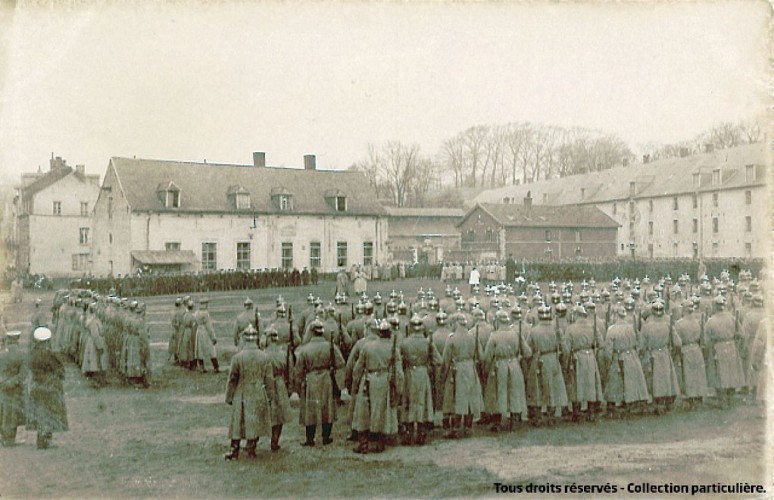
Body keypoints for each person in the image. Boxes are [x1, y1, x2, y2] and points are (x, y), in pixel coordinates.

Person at [351, 319, 404, 453]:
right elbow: (399, 372)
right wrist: (399, 389)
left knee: (364, 412)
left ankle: (364, 444)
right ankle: (378, 443)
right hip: (384, 381)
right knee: (381, 412)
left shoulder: (368, 346)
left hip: (368, 380)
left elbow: (358, 368)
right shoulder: (394, 349)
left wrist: (355, 383)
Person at [224, 324, 276, 461]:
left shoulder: (238, 357)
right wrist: (270, 396)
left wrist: (229, 396)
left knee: (238, 421)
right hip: (259, 390)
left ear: (245, 339)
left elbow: (232, 378)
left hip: (242, 391)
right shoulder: (264, 357)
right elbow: (269, 379)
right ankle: (251, 448)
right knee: (255, 420)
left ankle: (234, 450)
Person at [293, 319, 345, 447]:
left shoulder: (305, 349)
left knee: (310, 409)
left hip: (311, 379)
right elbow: (340, 363)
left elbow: (298, 370)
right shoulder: (330, 346)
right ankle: (326, 437)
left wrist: (298, 386)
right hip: (326, 378)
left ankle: (310, 439)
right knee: (327, 407)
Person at [483, 309, 530, 431]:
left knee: (497, 392)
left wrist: (486, 369)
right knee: (515, 392)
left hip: (499, 365)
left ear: (498, 321)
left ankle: (497, 422)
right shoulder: (516, 333)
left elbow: (487, 356)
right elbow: (528, 352)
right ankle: (515, 420)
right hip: (514, 364)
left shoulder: (494, 335)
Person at [398, 314, 440, 446]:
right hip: (422, 373)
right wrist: (428, 365)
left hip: (409, 373)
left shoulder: (404, 342)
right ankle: (421, 433)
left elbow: (399, 359)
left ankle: (409, 434)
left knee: (409, 401)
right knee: (423, 402)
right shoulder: (427, 342)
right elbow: (438, 360)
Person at [440, 312, 483, 438]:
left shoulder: (452, 338)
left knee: (457, 397)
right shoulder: (472, 336)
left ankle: (457, 426)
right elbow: (480, 354)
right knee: (470, 396)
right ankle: (468, 427)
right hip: (470, 367)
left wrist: (444, 374)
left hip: (457, 369)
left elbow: (446, 359)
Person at [601, 306, 649, 417]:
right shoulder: (631, 327)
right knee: (631, 381)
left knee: (615, 381)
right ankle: (632, 403)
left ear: (616, 315)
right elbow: (639, 341)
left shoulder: (611, 329)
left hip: (618, 357)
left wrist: (607, 360)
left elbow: (608, 349)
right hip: (631, 355)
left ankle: (614, 406)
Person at [27, 327, 68, 449]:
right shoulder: (48, 354)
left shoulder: (32, 353)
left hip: (36, 385)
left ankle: (41, 439)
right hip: (49, 387)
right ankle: (45, 440)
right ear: (46, 341)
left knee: (40, 413)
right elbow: (59, 370)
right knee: (49, 413)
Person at [561, 303, 604, 422]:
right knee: (591, 383)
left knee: (576, 383)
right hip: (590, 356)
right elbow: (601, 343)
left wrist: (566, 360)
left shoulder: (571, 328)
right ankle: (591, 412)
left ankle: (577, 412)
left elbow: (566, 349)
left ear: (577, 315)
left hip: (577, 357)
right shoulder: (592, 326)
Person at [638, 300, 681, 414]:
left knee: (655, 379)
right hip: (664, 353)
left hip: (652, 354)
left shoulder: (647, 327)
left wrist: (642, 353)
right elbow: (678, 342)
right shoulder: (668, 325)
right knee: (665, 378)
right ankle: (665, 402)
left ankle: (658, 402)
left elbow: (641, 345)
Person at [703, 295, 745, 408]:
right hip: (731, 346)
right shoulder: (731, 318)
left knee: (721, 373)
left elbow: (706, 339)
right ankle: (729, 397)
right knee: (731, 371)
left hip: (719, 348)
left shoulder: (711, 321)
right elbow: (742, 333)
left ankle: (724, 399)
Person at [673, 299, 708, 409]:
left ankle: (691, 397)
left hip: (686, 349)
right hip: (696, 348)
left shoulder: (679, 324)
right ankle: (698, 396)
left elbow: (677, 341)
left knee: (688, 374)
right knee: (698, 373)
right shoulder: (698, 321)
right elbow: (703, 337)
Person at [263, 326, 292, 452]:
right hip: (280, 383)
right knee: (279, 414)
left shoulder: (263, 354)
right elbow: (289, 371)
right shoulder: (283, 353)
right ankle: (275, 441)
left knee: (266, 412)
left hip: (266, 384)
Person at [0, 331, 25, 446]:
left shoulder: (1, 355)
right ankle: (11, 438)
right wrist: (14, 382)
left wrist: (3, 381)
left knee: (3, 411)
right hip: (15, 388)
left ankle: (3, 436)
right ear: (17, 341)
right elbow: (23, 374)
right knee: (13, 413)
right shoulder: (21, 355)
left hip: (2, 387)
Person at [194, 298, 219, 373]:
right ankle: (216, 367)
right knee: (211, 350)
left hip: (199, 331)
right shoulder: (206, 314)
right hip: (205, 332)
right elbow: (209, 327)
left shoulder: (196, 313)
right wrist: (213, 337)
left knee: (200, 350)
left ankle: (202, 367)